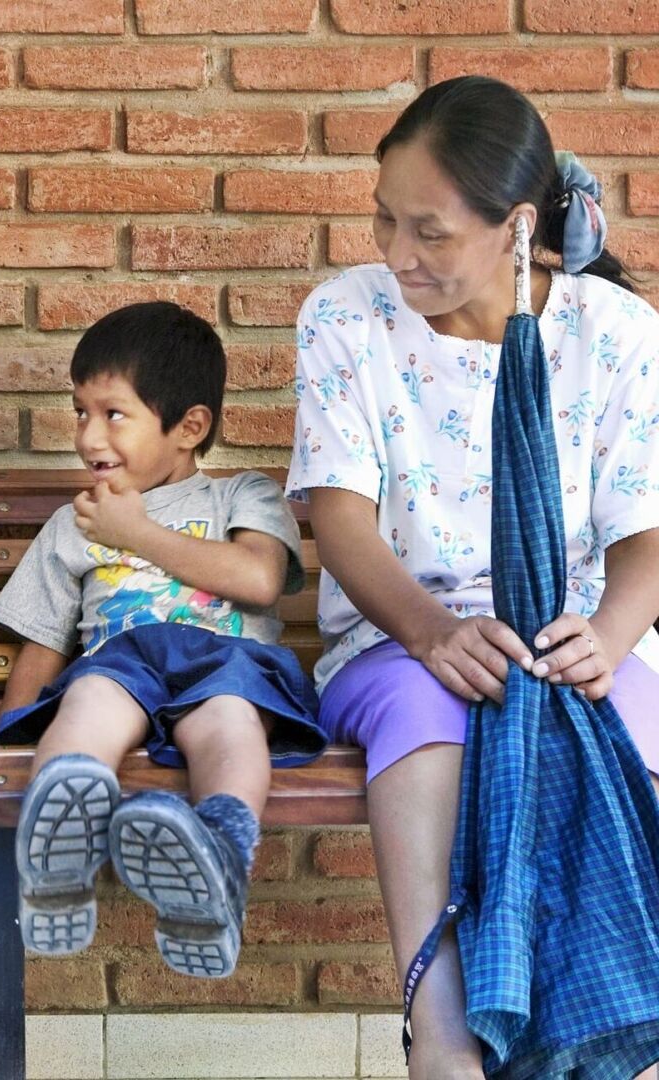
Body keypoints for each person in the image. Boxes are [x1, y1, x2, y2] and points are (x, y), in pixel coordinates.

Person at [287, 76, 659, 1079]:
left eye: (430, 231)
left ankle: (616, 1029)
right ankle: (441, 1042)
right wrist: (431, 633)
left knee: (625, 726)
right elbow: (340, 517)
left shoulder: (615, 333)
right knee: (430, 723)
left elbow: (647, 533)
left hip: (572, 631)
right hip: (399, 640)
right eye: (383, 219)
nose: (396, 253)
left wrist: (613, 636)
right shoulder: (346, 320)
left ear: (517, 226)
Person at [0, 301, 325, 977]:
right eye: (80, 411)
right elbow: (45, 647)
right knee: (87, 700)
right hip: (121, 664)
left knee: (229, 721)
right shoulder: (70, 523)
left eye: (113, 413)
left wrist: (133, 533)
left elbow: (259, 579)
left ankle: (222, 854)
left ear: (188, 427)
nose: (88, 435)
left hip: (227, 667)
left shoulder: (242, 497)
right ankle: (60, 859)